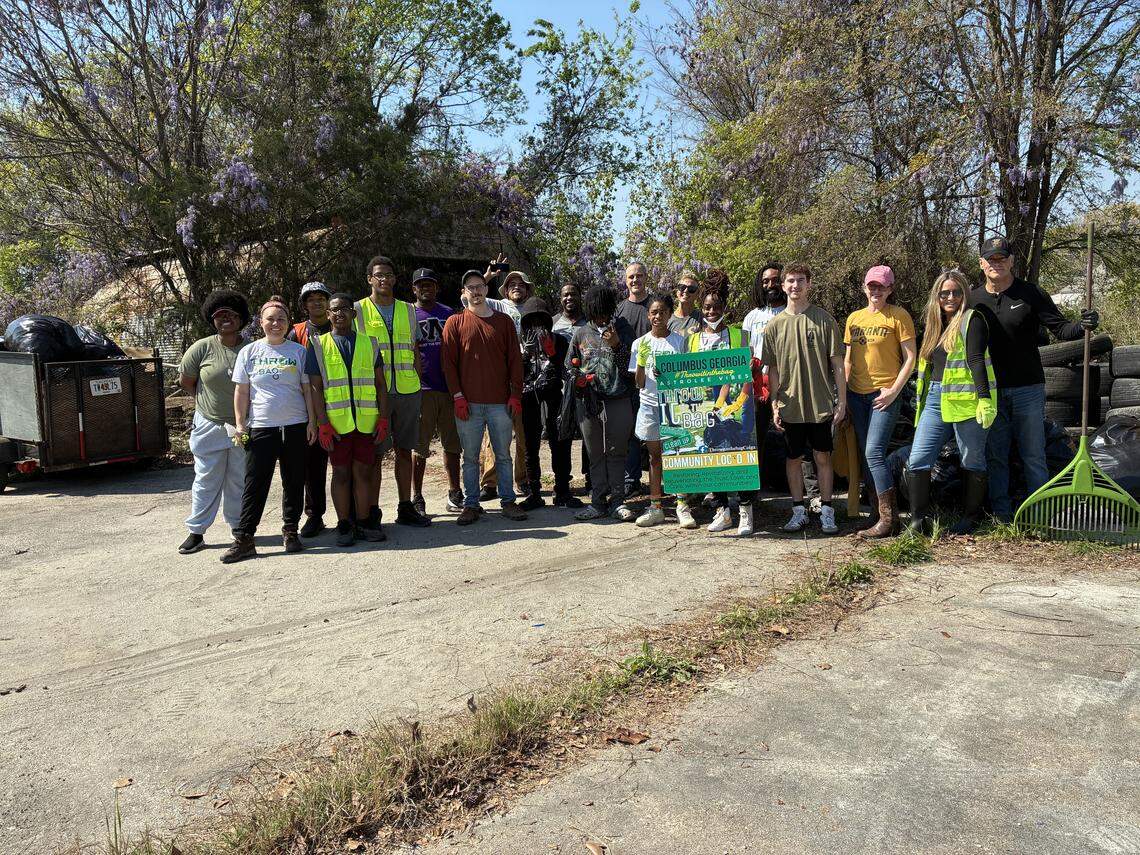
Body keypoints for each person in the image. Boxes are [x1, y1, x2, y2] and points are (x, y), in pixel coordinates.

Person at [968, 237, 1098, 521]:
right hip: (990, 392)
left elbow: (1062, 330)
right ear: (982, 264)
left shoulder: (1031, 293)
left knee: (1033, 454)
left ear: (1012, 261)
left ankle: (1041, 514)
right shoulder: (972, 299)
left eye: (1002, 258)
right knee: (996, 455)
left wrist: (1083, 324)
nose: (997, 264)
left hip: (1028, 387)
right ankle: (1002, 515)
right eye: (991, 259)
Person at [223, 296, 319, 563]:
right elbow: (241, 391)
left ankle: (291, 531)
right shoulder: (250, 352)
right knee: (254, 484)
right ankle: (245, 539)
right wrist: (241, 424)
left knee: (294, 480)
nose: (276, 324)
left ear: (288, 323)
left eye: (281, 319)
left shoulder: (298, 351)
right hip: (262, 427)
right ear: (261, 322)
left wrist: (312, 421)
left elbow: (307, 390)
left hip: (295, 426)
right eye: (270, 319)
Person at [906, 271, 997, 535]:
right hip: (935, 400)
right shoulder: (934, 325)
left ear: (964, 294)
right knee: (918, 458)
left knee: (972, 459)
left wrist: (984, 398)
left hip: (968, 401)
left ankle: (970, 519)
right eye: (944, 293)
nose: (950, 297)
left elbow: (977, 360)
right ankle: (917, 522)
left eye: (956, 292)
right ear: (937, 296)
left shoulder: (972, 320)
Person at [441, 270, 529, 525]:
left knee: (503, 454)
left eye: (480, 286)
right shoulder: (454, 323)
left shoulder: (503, 323)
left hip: (500, 403)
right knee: (470, 457)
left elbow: (515, 361)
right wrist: (458, 397)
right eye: (471, 288)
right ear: (464, 293)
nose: (476, 292)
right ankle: (471, 504)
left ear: (486, 290)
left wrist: (515, 395)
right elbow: (449, 364)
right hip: (468, 404)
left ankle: (508, 501)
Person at [764, 263, 846, 535]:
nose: (795, 285)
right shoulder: (774, 326)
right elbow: (773, 369)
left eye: (800, 280)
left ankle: (826, 510)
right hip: (790, 405)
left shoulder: (825, 320)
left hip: (821, 404)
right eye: (790, 281)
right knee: (793, 459)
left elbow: (837, 365)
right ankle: (798, 510)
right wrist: (774, 402)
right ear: (783, 285)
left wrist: (841, 401)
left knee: (823, 457)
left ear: (809, 284)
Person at [306, 294, 390, 545]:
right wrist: (323, 424)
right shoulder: (318, 345)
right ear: (328, 315)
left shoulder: (370, 343)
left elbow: (380, 385)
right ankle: (344, 524)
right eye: (334, 310)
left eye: (345, 309)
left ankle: (364, 521)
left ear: (353, 314)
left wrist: (383, 418)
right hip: (337, 424)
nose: (339, 313)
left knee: (364, 472)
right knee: (341, 473)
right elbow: (315, 389)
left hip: (366, 422)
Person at [355, 255, 431, 528]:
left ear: (395, 279)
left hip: (408, 391)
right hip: (376, 395)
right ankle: (372, 511)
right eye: (379, 275)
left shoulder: (408, 310)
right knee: (376, 454)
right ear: (369, 279)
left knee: (404, 450)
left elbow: (414, 350)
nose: (384, 279)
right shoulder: (358, 311)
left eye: (388, 274)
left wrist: (418, 382)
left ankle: (405, 507)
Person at [843, 265, 916, 538]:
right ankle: (875, 513)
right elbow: (849, 359)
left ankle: (889, 520)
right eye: (872, 286)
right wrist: (845, 396)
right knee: (866, 454)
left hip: (884, 396)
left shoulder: (898, 316)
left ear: (890, 289)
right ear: (864, 287)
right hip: (857, 396)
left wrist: (894, 390)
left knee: (874, 452)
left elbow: (911, 357)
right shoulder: (854, 319)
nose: (876, 291)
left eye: (881, 286)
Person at [177, 290, 250, 554]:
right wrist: (208, 403)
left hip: (242, 426)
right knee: (206, 478)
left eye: (230, 314)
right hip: (208, 424)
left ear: (241, 318)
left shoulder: (251, 348)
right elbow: (187, 381)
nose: (225, 319)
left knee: (239, 479)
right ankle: (196, 532)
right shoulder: (201, 348)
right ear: (212, 320)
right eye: (219, 316)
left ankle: (239, 529)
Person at [683, 283, 757, 535]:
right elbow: (682, 373)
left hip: (737, 406)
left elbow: (746, 373)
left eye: (716, 306)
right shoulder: (691, 340)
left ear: (724, 307)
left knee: (740, 455)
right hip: (706, 410)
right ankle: (722, 511)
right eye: (707, 307)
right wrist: (664, 374)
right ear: (701, 309)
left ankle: (746, 512)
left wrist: (735, 403)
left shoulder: (740, 335)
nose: (712, 311)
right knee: (713, 456)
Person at [567, 285, 636, 521]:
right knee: (594, 453)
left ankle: (617, 502)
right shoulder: (580, 333)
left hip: (619, 399)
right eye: (596, 312)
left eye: (604, 312)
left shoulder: (623, 330)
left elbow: (633, 369)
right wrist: (577, 380)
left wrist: (617, 344)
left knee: (617, 452)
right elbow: (569, 367)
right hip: (588, 402)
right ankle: (597, 503)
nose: (601, 317)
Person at [629, 292, 685, 527]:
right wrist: (642, 363)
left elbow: (686, 377)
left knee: (677, 456)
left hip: (674, 406)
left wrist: (670, 375)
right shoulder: (640, 343)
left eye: (662, 311)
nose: (658, 316)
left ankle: (682, 505)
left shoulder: (680, 341)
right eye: (653, 312)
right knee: (655, 457)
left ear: (669, 314)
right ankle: (656, 507)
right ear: (648, 315)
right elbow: (638, 383)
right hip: (650, 406)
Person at [410, 268, 463, 515]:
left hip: (448, 387)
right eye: (421, 285)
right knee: (419, 446)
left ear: (436, 287)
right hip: (422, 388)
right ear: (414, 289)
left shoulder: (448, 313)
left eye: (429, 284)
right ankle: (417, 497)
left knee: (452, 444)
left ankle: (454, 492)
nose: (425, 288)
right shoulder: (409, 314)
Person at [476, 254, 528, 502]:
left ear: (527, 289)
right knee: (494, 431)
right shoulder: (496, 306)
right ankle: (490, 482)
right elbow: (467, 297)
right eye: (511, 284)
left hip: (526, 377)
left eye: (521, 284)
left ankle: (522, 480)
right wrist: (486, 277)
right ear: (505, 290)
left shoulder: (535, 308)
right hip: (499, 376)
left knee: (521, 432)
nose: (516, 287)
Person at [519, 309, 583, 509]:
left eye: (541, 322)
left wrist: (551, 351)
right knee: (530, 445)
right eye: (531, 323)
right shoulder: (519, 345)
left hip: (555, 396)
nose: (536, 327)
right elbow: (515, 374)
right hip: (529, 398)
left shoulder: (560, 340)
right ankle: (534, 492)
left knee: (560, 443)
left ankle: (562, 490)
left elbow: (566, 370)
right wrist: (525, 354)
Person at [287, 281, 333, 538]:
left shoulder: (341, 324)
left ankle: (352, 514)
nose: (317, 303)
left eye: (321, 298)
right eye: (311, 299)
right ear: (304, 305)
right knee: (312, 465)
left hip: (342, 403)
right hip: (310, 407)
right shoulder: (296, 332)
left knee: (345, 464)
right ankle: (315, 516)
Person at [742, 262, 785, 477]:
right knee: (754, 436)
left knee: (791, 434)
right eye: (766, 281)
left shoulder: (792, 311)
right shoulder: (752, 317)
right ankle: (753, 489)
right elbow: (745, 350)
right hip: (757, 384)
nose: (771, 285)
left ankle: (808, 492)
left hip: (786, 382)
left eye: (775, 280)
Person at [616, 262, 651, 496]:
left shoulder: (656, 306)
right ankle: (631, 479)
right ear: (625, 280)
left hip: (655, 381)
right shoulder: (619, 310)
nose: (635, 280)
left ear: (646, 278)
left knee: (659, 432)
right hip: (628, 381)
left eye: (639, 276)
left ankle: (665, 479)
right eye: (631, 277)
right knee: (631, 432)